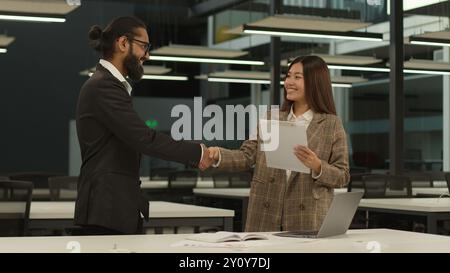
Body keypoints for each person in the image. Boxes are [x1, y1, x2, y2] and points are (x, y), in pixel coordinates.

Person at [75, 16, 212, 235]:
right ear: (123, 44)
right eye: (144, 46)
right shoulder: (103, 86)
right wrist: (197, 152)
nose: (147, 55)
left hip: (114, 209)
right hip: (105, 212)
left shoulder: (109, 85)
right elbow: (144, 139)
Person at [206, 55, 350, 232]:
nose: (289, 82)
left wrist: (318, 166)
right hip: (266, 209)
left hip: (307, 215)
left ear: (315, 82)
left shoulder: (331, 124)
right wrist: (217, 154)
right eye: (288, 76)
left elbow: (343, 175)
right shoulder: (271, 118)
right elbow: (247, 156)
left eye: (297, 77)